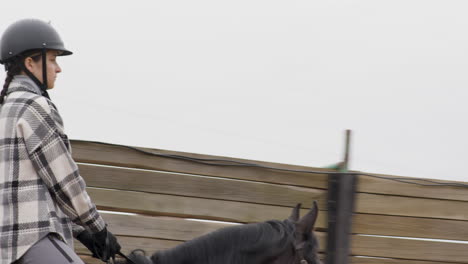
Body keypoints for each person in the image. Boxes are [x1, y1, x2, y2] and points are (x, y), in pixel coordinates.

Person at [0, 19, 121, 264]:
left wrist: (80, 233)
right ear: (30, 63)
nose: (58, 68)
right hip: (29, 241)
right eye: (53, 59)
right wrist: (98, 228)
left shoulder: (5, 109)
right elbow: (65, 181)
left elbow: (30, 194)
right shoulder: (34, 107)